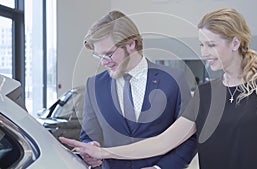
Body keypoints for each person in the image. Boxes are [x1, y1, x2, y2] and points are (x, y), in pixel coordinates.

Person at [60, 8, 257, 169]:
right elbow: (162, 142)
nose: (204, 53)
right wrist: (106, 154)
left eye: (211, 45)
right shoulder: (206, 94)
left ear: (235, 42)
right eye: (201, 45)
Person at [70, 10, 197, 169]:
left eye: (108, 54)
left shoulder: (173, 80)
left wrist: (160, 168)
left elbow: (189, 137)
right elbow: (89, 136)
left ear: (131, 44)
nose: (104, 62)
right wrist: (90, 149)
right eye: (99, 56)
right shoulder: (94, 85)